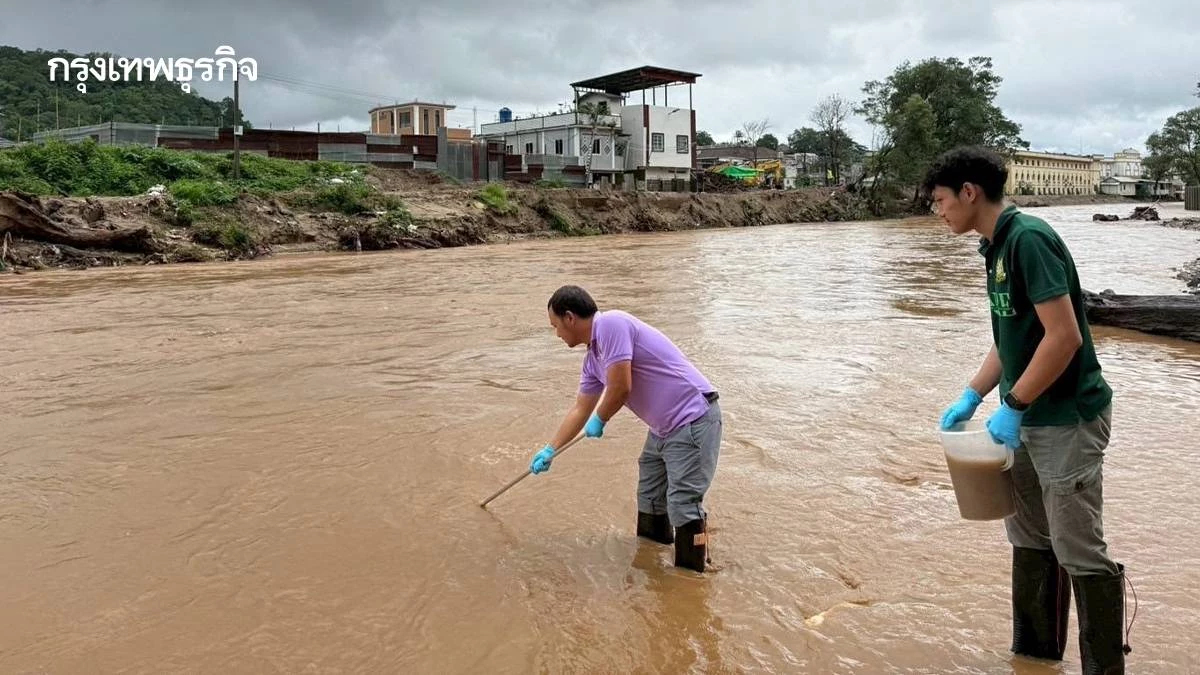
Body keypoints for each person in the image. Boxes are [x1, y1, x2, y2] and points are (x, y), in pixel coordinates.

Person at [925, 146, 1130, 673]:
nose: (938, 211)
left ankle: (1104, 667)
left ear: (969, 193)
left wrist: (1012, 404)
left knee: (1078, 546)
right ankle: (1036, 658)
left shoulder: (1028, 240)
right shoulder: (993, 247)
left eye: (941, 200)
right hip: (1028, 420)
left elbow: (1063, 338)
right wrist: (973, 394)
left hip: (1067, 419)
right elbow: (1011, 337)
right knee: (1030, 536)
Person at [529, 285, 723, 573]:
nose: (557, 334)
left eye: (555, 326)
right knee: (650, 497)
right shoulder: (592, 361)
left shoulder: (611, 324)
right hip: (662, 429)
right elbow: (580, 409)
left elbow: (621, 387)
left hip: (692, 418)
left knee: (683, 503)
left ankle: (693, 577)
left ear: (569, 318)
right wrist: (550, 449)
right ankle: (654, 566)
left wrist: (601, 419)